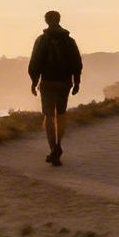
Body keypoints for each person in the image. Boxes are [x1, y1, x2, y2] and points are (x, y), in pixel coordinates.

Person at [27, 10, 82, 166]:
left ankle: (54, 149)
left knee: (49, 116)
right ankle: (58, 145)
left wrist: (34, 81)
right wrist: (77, 82)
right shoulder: (70, 41)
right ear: (59, 20)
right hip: (64, 83)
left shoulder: (42, 40)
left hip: (48, 83)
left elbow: (35, 62)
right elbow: (77, 63)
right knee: (61, 115)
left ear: (46, 21)